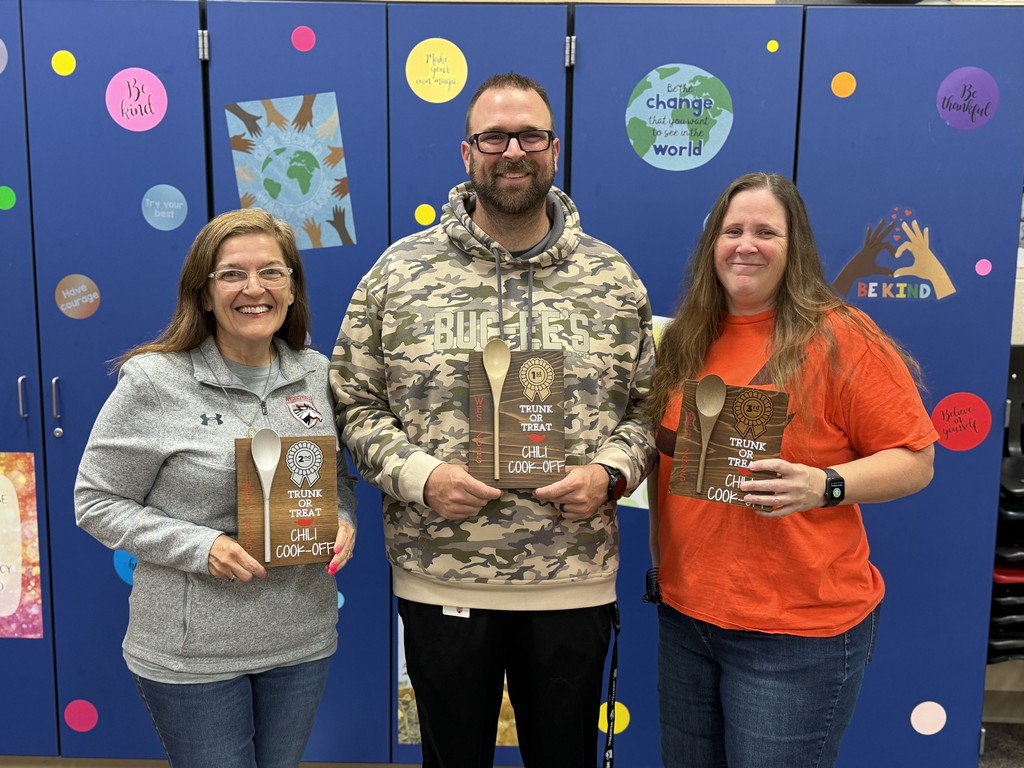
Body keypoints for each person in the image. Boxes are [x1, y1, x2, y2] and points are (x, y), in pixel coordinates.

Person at [330, 72, 655, 768]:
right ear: (467, 151)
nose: (513, 151)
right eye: (494, 137)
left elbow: (648, 408)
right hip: (441, 573)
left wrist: (610, 474)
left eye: (531, 136)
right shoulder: (398, 273)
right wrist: (418, 475)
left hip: (572, 576)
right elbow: (354, 399)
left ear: (555, 149)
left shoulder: (612, 278)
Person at [646, 172, 938, 767]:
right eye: (732, 230)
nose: (745, 245)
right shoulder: (685, 340)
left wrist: (826, 485)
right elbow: (665, 461)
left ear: (794, 245)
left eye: (765, 232)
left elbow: (917, 460)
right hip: (687, 620)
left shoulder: (840, 337)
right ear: (712, 244)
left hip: (795, 636)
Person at [75, 209, 357, 768]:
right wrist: (202, 547)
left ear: (292, 287)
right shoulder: (156, 381)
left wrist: (342, 518)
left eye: (271, 272)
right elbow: (96, 502)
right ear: (203, 294)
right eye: (232, 274)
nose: (254, 289)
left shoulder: (315, 372)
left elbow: (334, 479)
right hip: (193, 653)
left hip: (301, 636)